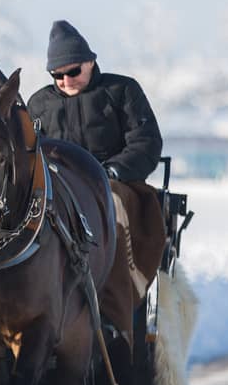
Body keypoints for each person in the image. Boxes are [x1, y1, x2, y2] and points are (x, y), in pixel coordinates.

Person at [26, 19, 166, 356]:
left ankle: (115, 304)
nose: (66, 81)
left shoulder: (122, 91)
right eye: (57, 76)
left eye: (73, 71)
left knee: (111, 203)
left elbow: (146, 142)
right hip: (58, 188)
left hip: (117, 184)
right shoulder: (38, 104)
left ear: (90, 61)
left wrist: (113, 170)